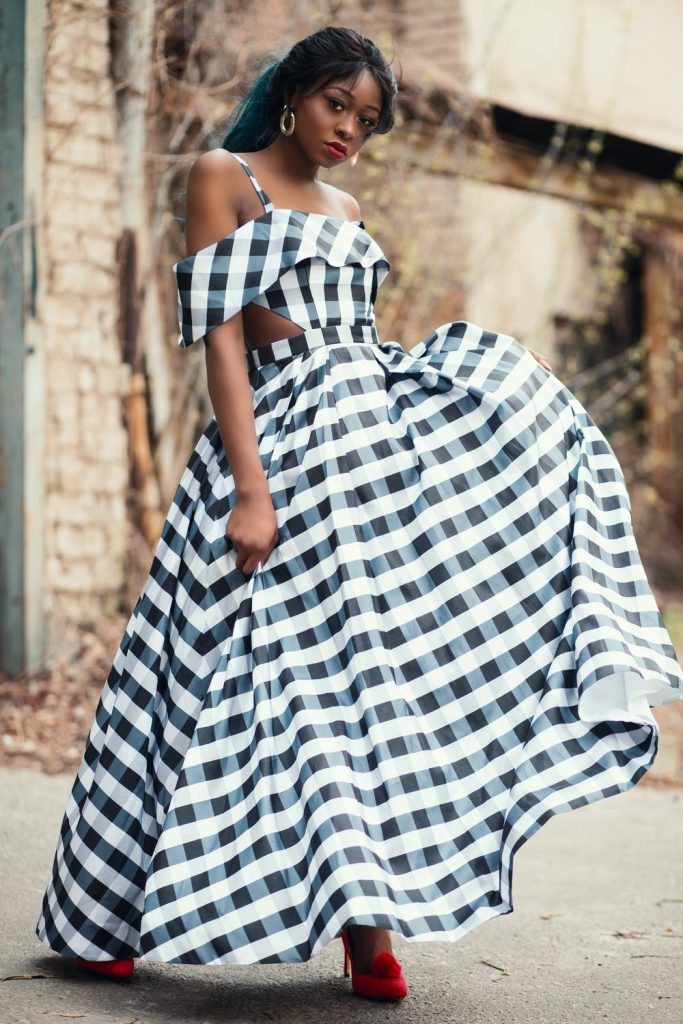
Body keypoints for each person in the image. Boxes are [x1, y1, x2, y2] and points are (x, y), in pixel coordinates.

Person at [35, 25, 682, 1003]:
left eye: (368, 120)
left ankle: (367, 924)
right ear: (295, 94)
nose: (349, 129)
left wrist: (502, 378)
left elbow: (360, 345)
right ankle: (106, 911)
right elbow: (221, 342)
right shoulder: (223, 176)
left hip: (364, 457)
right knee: (208, 671)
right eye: (338, 105)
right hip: (277, 451)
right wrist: (249, 489)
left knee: (368, 677)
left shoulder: (346, 205)